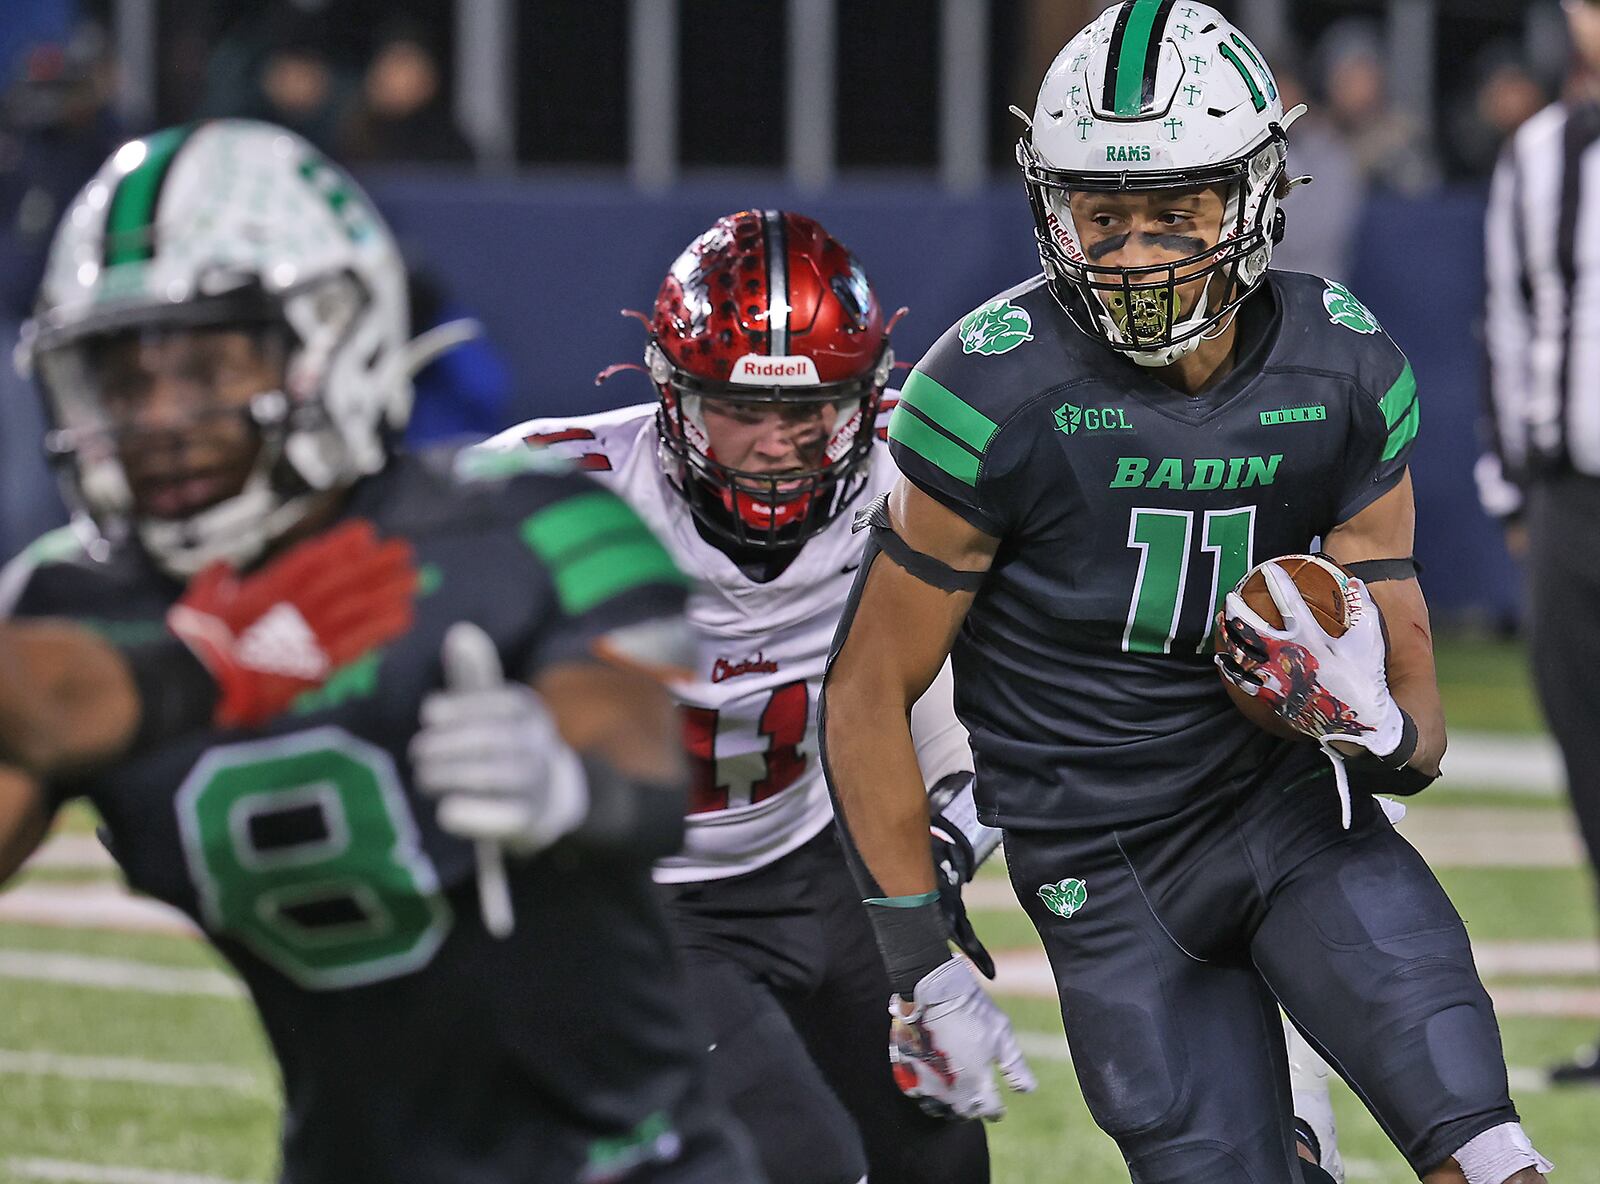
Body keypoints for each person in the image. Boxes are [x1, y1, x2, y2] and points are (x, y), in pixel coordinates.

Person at [823, 5, 1553, 1184]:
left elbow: (1415, 735)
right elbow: (867, 688)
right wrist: (920, 956)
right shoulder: (991, 384)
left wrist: (1371, 725)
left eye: (1178, 210)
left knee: (1488, 1148)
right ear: (1050, 205)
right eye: (1102, 214)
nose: (1139, 252)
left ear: (1257, 193)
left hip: (1287, 814)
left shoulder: (1339, 363)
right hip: (1104, 862)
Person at [0, 118, 762, 1183]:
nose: (161, 417)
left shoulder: (526, 524)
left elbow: (640, 766)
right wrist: (212, 664)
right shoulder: (72, 599)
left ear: (327, 342)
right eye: (125, 380)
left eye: (208, 364)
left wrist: (558, 781)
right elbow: (50, 701)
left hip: (627, 1163)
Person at [482, 210, 1000, 1184]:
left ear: (864, 399)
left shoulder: (919, 473)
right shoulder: (564, 487)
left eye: (807, 412)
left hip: (823, 867)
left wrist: (938, 853)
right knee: (798, 1161)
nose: (773, 445)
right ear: (671, 397)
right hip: (648, 900)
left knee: (941, 1162)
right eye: (737, 409)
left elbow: (1020, 701)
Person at [1479, 0, 1600, 1090]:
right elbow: (1509, 319)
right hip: (1573, 496)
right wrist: (1513, 478)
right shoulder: (1540, 152)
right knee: (1587, 749)